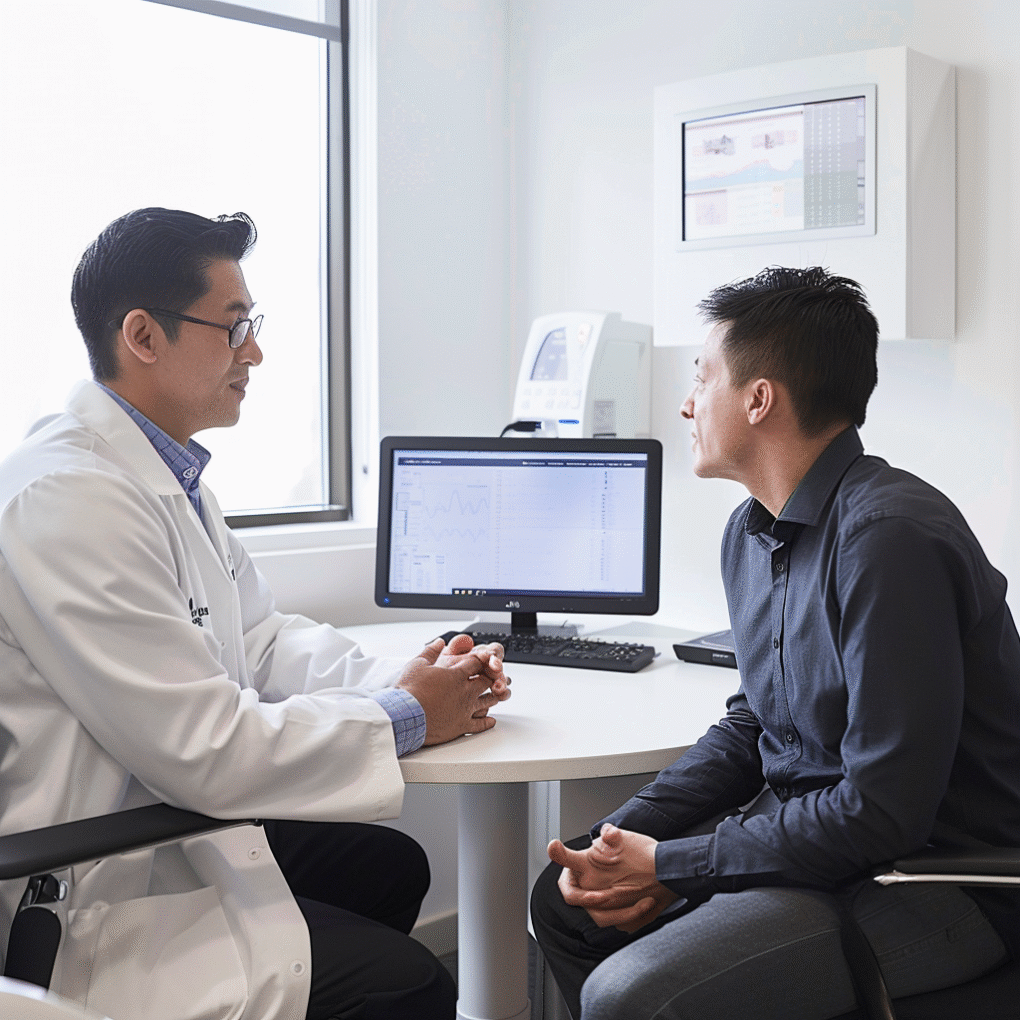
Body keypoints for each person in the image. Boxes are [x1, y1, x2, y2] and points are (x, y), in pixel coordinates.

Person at [0, 208, 512, 1020]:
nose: (256, 352)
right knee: (413, 983)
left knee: (390, 867)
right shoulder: (66, 498)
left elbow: (262, 639)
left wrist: (417, 677)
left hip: (167, 823)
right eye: (234, 327)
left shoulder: (166, 479)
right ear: (143, 335)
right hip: (96, 886)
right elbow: (203, 747)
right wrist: (411, 716)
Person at [531, 266, 1020, 1020]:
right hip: (819, 850)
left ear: (760, 399)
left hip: (929, 881)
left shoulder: (888, 541)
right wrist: (626, 834)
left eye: (703, 378)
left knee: (630, 996)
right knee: (563, 900)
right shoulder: (751, 532)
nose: (688, 404)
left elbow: (883, 813)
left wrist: (678, 863)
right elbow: (752, 725)